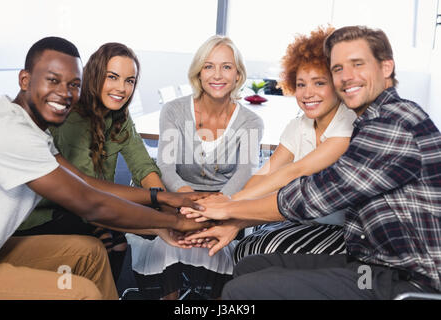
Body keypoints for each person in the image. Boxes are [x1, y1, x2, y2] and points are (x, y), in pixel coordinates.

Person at [187, 25, 441, 299]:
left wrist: (229, 208)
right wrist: (234, 215)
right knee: (251, 266)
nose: (346, 77)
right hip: (372, 265)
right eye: (338, 68)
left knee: (242, 291)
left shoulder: (393, 123)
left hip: (410, 278)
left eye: (358, 64)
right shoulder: (371, 121)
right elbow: (275, 172)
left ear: (386, 67)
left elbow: (313, 194)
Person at [0, 37, 210, 299]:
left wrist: (164, 197)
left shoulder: (33, 130)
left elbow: (86, 182)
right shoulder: (11, 131)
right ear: (25, 80)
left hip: (0, 245)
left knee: (91, 252)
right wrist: (172, 221)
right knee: (81, 290)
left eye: (74, 84)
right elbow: (90, 203)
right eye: (53, 80)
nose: (65, 92)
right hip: (48, 219)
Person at [181, 27, 356, 262]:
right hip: (306, 218)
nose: (308, 93)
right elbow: (267, 173)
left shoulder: (350, 123)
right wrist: (230, 215)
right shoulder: (299, 126)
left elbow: (295, 171)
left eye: (319, 83)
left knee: (254, 253)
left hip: (351, 232)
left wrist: (229, 205)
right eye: (301, 84)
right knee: (245, 248)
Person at [15, 42, 178, 283]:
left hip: (90, 204)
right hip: (47, 213)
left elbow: (143, 168)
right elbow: (88, 194)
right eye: (113, 77)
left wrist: (169, 208)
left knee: (121, 239)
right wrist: (167, 219)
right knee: (108, 240)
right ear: (94, 75)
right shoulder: (71, 117)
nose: (122, 88)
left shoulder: (120, 116)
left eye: (129, 81)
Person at [127, 35, 264, 299]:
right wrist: (188, 203)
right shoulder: (174, 111)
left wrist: (215, 208)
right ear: (199, 73)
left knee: (221, 248)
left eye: (227, 66)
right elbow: (166, 167)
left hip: (227, 202)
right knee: (170, 244)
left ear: (238, 75)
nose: (218, 74)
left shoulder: (251, 122)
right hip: (177, 198)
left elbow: (246, 171)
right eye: (209, 66)